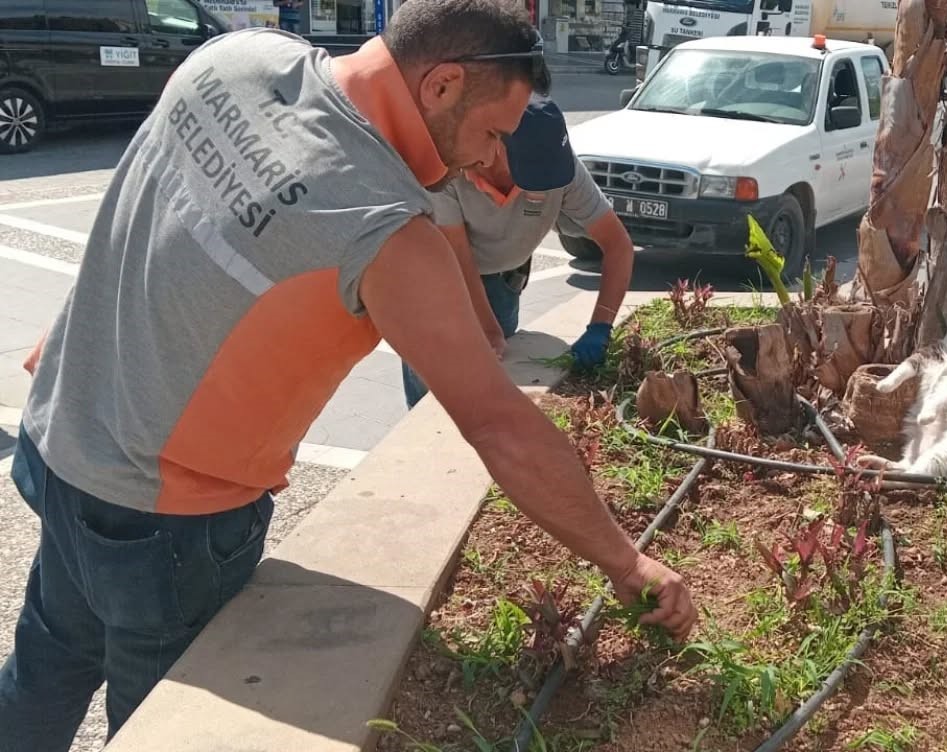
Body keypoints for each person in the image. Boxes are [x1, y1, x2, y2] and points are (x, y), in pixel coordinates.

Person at [0, 2, 696, 750]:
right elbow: (500, 426)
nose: (481, 160)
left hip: (61, 437)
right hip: (164, 519)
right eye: (490, 132)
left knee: (46, 667)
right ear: (440, 85)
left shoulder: (236, 60)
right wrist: (626, 560)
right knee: (158, 729)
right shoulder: (386, 229)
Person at [400, 96, 635, 408]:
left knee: (491, 387)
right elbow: (459, 260)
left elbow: (618, 245)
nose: (541, 184)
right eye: (532, 174)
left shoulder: (560, 169)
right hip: (438, 282)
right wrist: (488, 330)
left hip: (501, 283)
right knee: (435, 396)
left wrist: (601, 326)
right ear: (497, 144)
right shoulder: (450, 168)